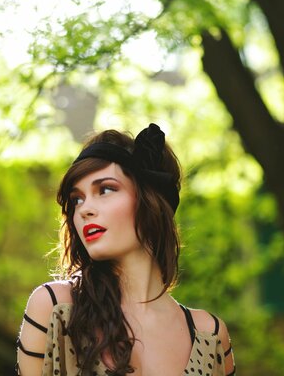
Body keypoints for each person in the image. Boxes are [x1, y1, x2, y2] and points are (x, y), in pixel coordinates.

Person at [16, 124, 236, 376]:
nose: (84, 209)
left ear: (150, 201)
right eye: (77, 199)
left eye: (105, 189)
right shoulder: (56, 308)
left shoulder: (210, 335)